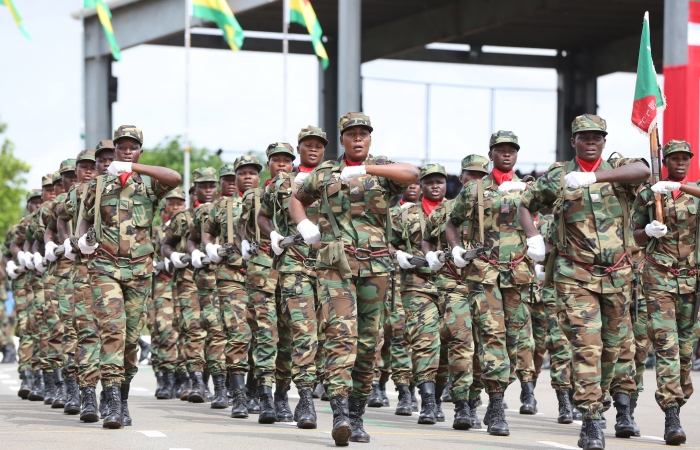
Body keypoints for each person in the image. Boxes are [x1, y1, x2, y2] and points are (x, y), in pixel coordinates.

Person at [518, 114, 650, 450]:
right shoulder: (558, 175)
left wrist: (593, 177)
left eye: (597, 137)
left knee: (614, 348)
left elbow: (644, 171)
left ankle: (600, 399)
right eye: (584, 137)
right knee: (586, 347)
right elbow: (524, 205)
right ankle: (591, 420)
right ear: (573, 140)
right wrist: (533, 236)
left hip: (617, 275)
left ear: (604, 141)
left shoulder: (617, 170)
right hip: (575, 276)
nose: (591, 142)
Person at [289, 112, 419, 446]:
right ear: (343, 138)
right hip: (337, 266)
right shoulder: (326, 173)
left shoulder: (382, 169)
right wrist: (304, 225)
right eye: (352, 134)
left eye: (363, 134)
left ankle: (358, 414)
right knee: (339, 336)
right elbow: (297, 199)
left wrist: (367, 170)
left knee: (368, 343)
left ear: (370, 139)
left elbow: (412, 173)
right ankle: (340, 414)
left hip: (376, 268)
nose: (358, 139)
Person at [78, 125, 180, 429]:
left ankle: (121, 398)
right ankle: (109, 402)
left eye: (131, 147)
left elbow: (174, 178)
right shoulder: (97, 186)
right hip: (106, 267)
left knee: (131, 339)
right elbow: (85, 220)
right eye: (121, 147)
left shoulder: (149, 187)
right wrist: (83, 241)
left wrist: (133, 168)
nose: (125, 151)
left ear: (139, 152)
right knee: (113, 331)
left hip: (138, 271)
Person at [447, 131, 536, 437]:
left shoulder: (527, 188)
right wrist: (456, 249)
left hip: (517, 273)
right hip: (484, 272)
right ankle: (496, 405)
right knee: (491, 334)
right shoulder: (474, 190)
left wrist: (538, 240)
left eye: (512, 149)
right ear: (492, 154)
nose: (507, 154)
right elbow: (452, 222)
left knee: (513, 339)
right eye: (501, 150)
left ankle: (494, 392)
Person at [631, 139, 700, 445]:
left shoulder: (694, 191)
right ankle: (672, 416)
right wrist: (647, 232)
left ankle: (678, 397)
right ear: (665, 161)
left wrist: (678, 187)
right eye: (675, 158)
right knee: (667, 347)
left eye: (685, 158)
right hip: (659, 277)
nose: (681, 162)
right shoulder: (649, 193)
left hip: (692, 282)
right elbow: (632, 233)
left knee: (685, 351)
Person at [258, 127, 327, 429]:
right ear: (299, 148)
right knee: (302, 330)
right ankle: (304, 400)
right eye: (307, 145)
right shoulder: (281, 183)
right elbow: (262, 213)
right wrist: (272, 233)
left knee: (324, 334)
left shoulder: (334, 177)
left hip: (332, 266)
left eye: (318, 146)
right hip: (295, 265)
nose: (313, 149)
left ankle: (285, 390)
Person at [424, 154, 489, 430]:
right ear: (460, 178)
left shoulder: (497, 207)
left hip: (488, 286)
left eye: (480, 176)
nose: (474, 181)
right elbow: (427, 238)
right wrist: (433, 256)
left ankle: (474, 400)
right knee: (462, 342)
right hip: (453, 287)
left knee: (483, 347)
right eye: (470, 175)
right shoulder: (444, 211)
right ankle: (461, 405)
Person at [239, 142, 295, 424]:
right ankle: (265, 397)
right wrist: (244, 244)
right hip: (261, 268)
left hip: (293, 271)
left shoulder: (302, 192)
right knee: (264, 335)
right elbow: (242, 225)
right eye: (276, 161)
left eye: (287, 160)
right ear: (269, 165)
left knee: (288, 336)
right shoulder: (255, 196)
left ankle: (282, 396)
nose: (282, 165)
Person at [202, 156, 262, 419]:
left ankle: (253, 391)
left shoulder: (268, 199)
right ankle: (237, 397)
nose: (247, 177)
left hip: (263, 277)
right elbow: (206, 230)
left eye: (252, 173)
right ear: (234, 178)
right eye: (242, 173)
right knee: (238, 334)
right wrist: (209, 247)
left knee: (262, 336)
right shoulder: (222, 206)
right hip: (231, 276)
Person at [392, 163, 450, 425]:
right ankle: (426, 402)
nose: (435, 185)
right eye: (429, 182)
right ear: (421, 185)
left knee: (448, 347)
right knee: (424, 341)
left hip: (453, 285)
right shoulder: (406, 214)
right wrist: (398, 255)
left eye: (439, 181)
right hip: (416, 283)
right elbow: (387, 240)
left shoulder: (456, 211)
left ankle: (438, 398)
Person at [162, 168, 218, 403]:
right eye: (202, 185)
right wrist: (173, 255)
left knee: (216, 330)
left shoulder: (225, 212)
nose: (207, 190)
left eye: (211, 185)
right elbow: (167, 243)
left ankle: (210, 382)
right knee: (193, 328)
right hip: (187, 279)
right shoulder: (183, 217)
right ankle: (195, 381)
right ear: (193, 189)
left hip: (218, 280)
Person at [5, 190, 43, 398]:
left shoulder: (48, 217)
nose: (37, 205)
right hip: (23, 284)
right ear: (28, 205)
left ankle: (42, 376)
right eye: (33, 202)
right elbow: (6, 253)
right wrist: (11, 264)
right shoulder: (19, 228)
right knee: (26, 328)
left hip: (45, 281)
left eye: (40, 201)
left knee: (43, 328)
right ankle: (27, 376)